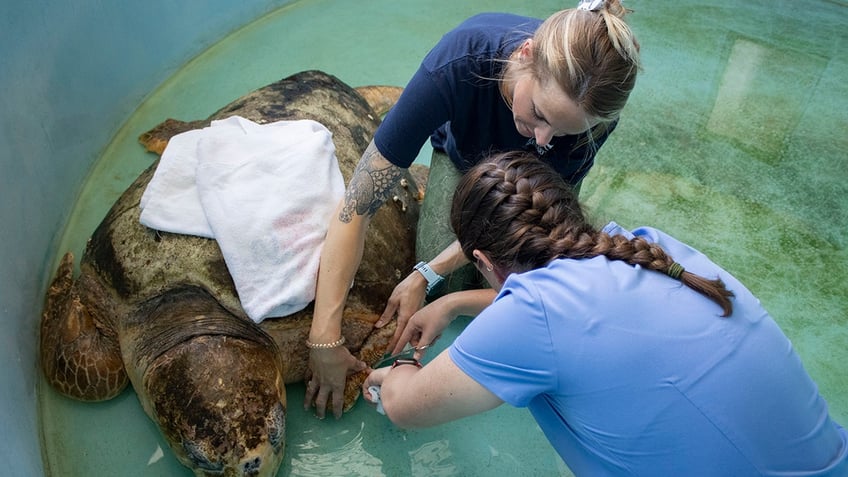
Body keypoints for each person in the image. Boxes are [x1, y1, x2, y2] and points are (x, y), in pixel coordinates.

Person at [362, 151, 848, 476]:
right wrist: (452, 301)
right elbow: (579, 322)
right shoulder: (648, 246)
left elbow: (407, 408)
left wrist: (396, 369)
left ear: (484, 262)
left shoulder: (534, 317)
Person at [305, 0, 642, 419]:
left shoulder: (594, 113)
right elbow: (355, 207)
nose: (542, 141)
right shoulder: (458, 62)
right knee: (443, 282)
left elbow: (535, 215)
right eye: (538, 114)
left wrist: (434, 277)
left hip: (524, 190)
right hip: (464, 157)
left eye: (564, 133)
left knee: (525, 289)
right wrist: (324, 338)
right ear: (525, 55)